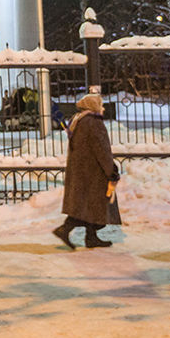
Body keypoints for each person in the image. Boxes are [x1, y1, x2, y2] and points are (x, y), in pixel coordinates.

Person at [52, 93, 121, 249]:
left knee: (87, 206)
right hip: (94, 171)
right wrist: (111, 170)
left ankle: (91, 237)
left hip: (81, 170)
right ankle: (65, 229)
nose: (103, 108)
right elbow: (102, 149)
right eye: (100, 104)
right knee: (96, 204)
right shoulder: (94, 123)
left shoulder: (77, 120)